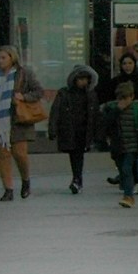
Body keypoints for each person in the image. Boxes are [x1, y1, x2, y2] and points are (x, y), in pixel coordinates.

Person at [0, 45, 45, 201]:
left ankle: (26, 180)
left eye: (3, 57)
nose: (0, 61)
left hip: (17, 120)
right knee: (3, 156)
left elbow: (39, 91)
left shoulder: (23, 73)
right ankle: (8, 189)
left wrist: (23, 97)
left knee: (20, 154)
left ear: (12, 57)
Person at [95, 77, 138, 209]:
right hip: (118, 147)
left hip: (132, 147)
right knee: (122, 171)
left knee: (127, 169)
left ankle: (128, 196)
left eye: (125, 98)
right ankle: (128, 190)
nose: (122, 102)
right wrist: (116, 111)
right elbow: (105, 124)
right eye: (120, 98)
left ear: (131, 97)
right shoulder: (112, 109)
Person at [49, 65, 99, 196]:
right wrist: (52, 129)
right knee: (74, 154)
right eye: (80, 79)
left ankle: (77, 179)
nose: (83, 82)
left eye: (85, 79)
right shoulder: (64, 93)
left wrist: (98, 133)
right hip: (69, 129)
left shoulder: (91, 95)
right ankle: (77, 179)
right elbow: (55, 111)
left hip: (84, 130)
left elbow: (96, 116)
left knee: (78, 154)